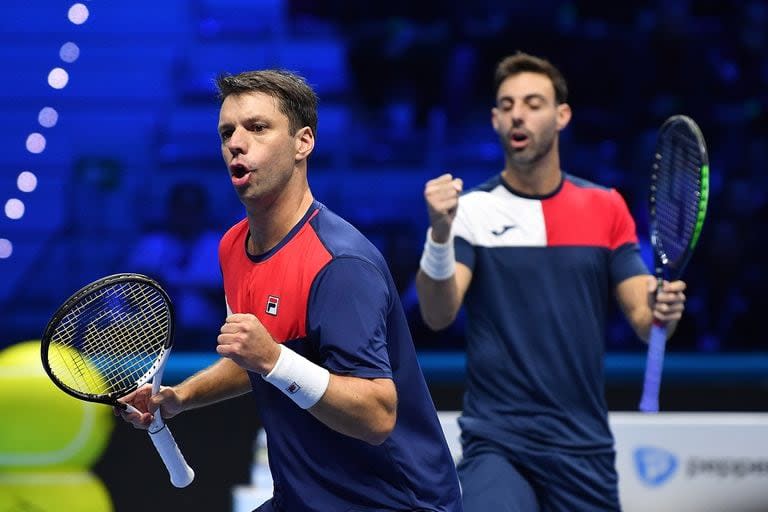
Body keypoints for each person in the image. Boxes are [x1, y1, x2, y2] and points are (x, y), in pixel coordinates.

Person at [118, 69, 463, 512]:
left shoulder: (338, 265)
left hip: (393, 502)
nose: (236, 144)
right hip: (305, 499)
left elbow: (377, 415)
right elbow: (257, 359)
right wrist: (180, 398)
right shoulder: (232, 247)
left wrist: (272, 358)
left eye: (257, 128)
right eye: (227, 132)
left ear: (303, 142)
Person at [415, 51, 687, 511]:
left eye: (533, 103)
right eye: (506, 105)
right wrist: (439, 236)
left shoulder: (606, 207)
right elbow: (438, 314)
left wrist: (663, 308)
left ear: (562, 115)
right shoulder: (473, 211)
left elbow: (646, 319)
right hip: (498, 443)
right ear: (496, 121)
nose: (518, 113)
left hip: (583, 447)